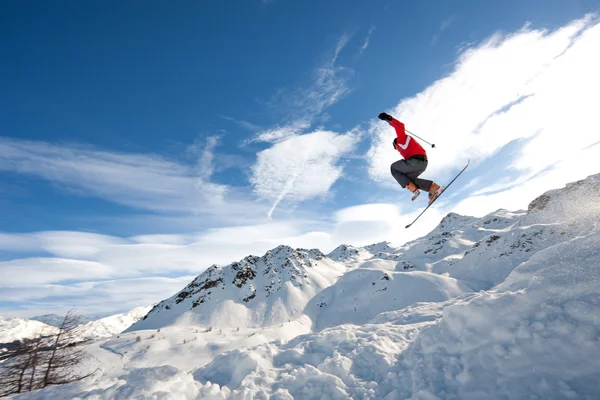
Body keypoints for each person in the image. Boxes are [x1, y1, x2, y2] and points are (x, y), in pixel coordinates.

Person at [378, 112, 441, 204]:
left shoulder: (401, 139)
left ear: (395, 144)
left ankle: (411, 187)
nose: (398, 150)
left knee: (394, 168)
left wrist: (388, 119)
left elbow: (400, 125)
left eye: (396, 148)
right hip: (421, 163)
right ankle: (432, 188)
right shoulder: (406, 147)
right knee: (409, 179)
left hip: (416, 161)